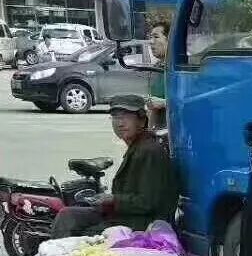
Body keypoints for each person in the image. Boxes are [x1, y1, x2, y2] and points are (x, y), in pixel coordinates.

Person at [52, 95, 179, 238]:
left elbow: (148, 202)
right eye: (116, 117)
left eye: (126, 117)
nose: (120, 123)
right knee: (68, 215)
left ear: (142, 121)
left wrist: (112, 199)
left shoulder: (149, 151)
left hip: (142, 224)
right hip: (126, 216)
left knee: (80, 231)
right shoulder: (138, 147)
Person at [146, 21, 170, 132]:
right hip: (158, 132)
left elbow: (191, 102)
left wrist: (164, 103)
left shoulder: (183, 67)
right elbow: (153, 108)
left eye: (156, 37)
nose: (151, 42)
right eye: (150, 38)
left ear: (170, 40)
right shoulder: (156, 68)